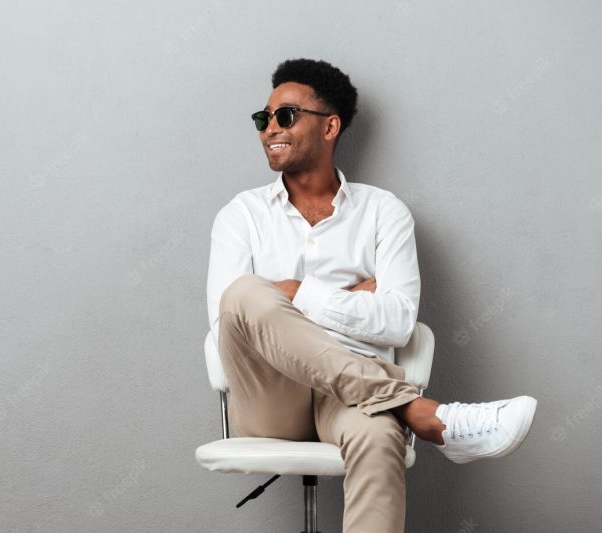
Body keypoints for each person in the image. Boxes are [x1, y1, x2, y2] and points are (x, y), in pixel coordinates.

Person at [205, 58, 537, 533]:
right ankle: (420, 411)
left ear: (329, 126)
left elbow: (399, 320)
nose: (269, 129)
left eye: (286, 116)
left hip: (354, 403)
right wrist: (348, 296)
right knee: (243, 294)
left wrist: (297, 294)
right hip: (270, 395)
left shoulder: (384, 212)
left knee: (380, 434)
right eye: (264, 118)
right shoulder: (242, 215)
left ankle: (394, 408)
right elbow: (229, 321)